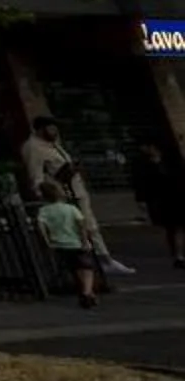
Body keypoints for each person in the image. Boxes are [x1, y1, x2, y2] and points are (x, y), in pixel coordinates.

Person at [19, 116, 124, 287]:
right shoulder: (33, 147)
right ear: (40, 129)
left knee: (90, 226)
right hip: (62, 194)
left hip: (75, 190)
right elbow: (36, 175)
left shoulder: (53, 145)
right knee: (78, 230)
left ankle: (103, 259)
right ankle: (90, 265)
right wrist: (47, 194)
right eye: (50, 129)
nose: (54, 132)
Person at [38, 179, 101, 309]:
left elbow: (41, 227)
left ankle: (88, 293)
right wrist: (85, 241)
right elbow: (81, 225)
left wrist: (47, 242)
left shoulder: (44, 211)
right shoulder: (71, 209)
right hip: (76, 242)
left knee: (76, 268)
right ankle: (87, 292)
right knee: (87, 268)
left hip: (59, 244)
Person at [131, 143, 185, 269]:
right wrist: (142, 201)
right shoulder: (144, 165)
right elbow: (141, 184)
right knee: (173, 229)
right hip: (163, 200)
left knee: (177, 228)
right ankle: (178, 255)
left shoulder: (171, 163)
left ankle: (179, 255)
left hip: (177, 197)